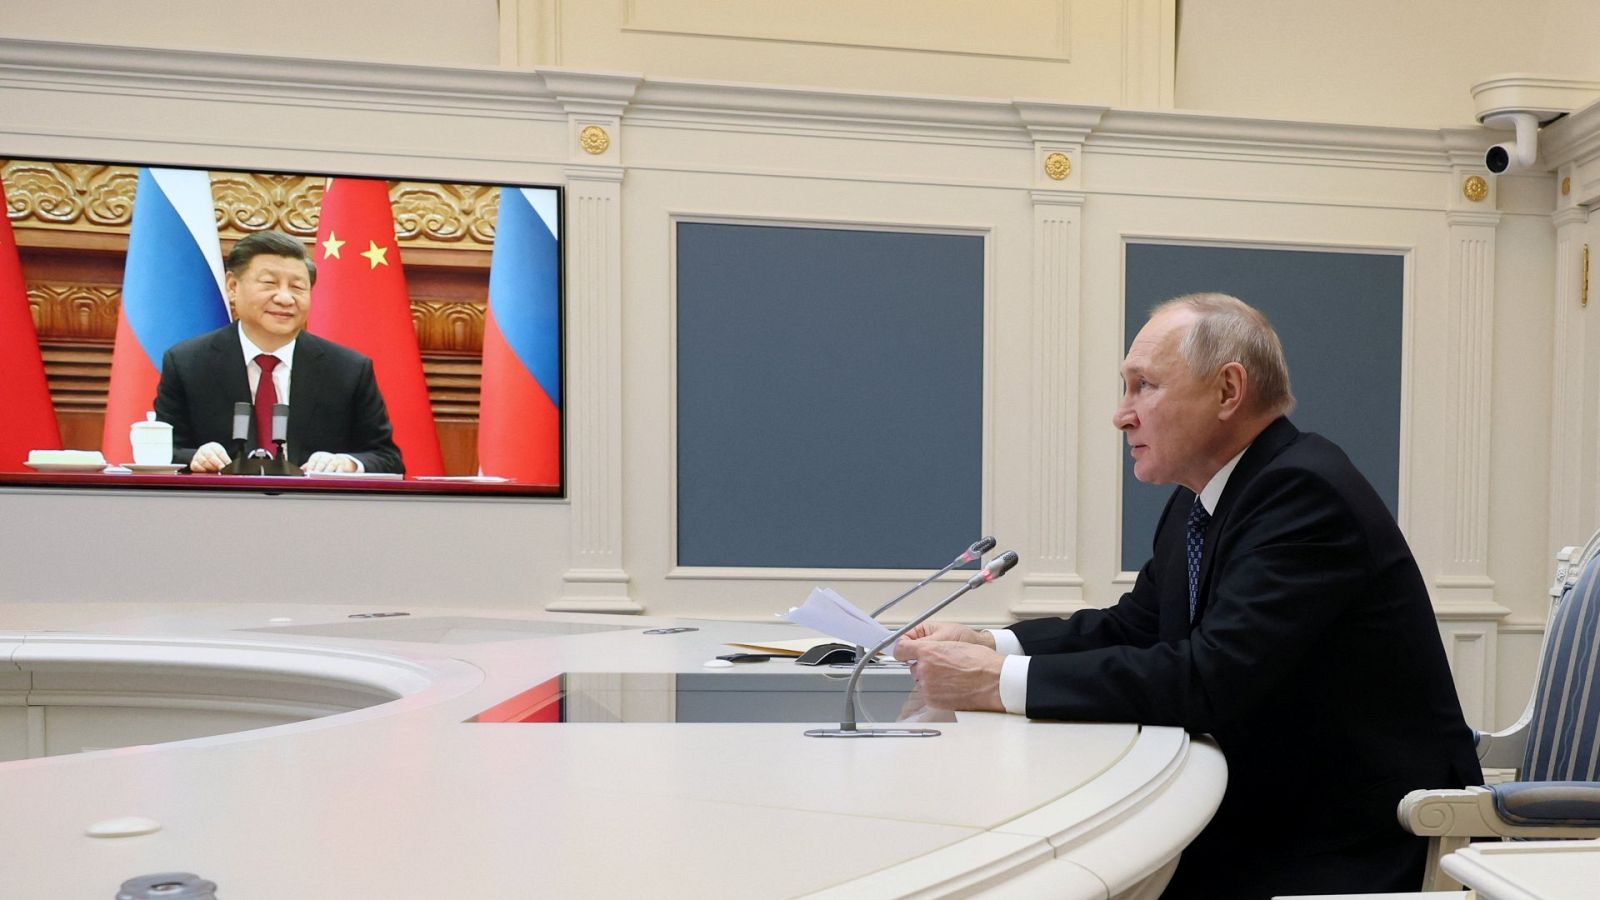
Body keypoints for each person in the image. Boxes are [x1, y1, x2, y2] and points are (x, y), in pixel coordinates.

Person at [895, 293, 1480, 898]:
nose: (1121, 415)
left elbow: (1210, 678)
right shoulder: (1203, 498)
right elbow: (1136, 625)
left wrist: (994, 683)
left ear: (1228, 391)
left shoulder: (1303, 492)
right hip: (1262, 813)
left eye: (1144, 386)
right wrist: (990, 643)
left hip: (1349, 840)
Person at [154, 230, 403, 475]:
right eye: (269, 283)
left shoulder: (348, 369)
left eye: (297, 287)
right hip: (221, 500)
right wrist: (195, 457)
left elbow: (388, 459)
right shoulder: (188, 363)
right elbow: (162, 451)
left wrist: (347, 463)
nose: (285, 298)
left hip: (312, 501)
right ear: (233, 286)